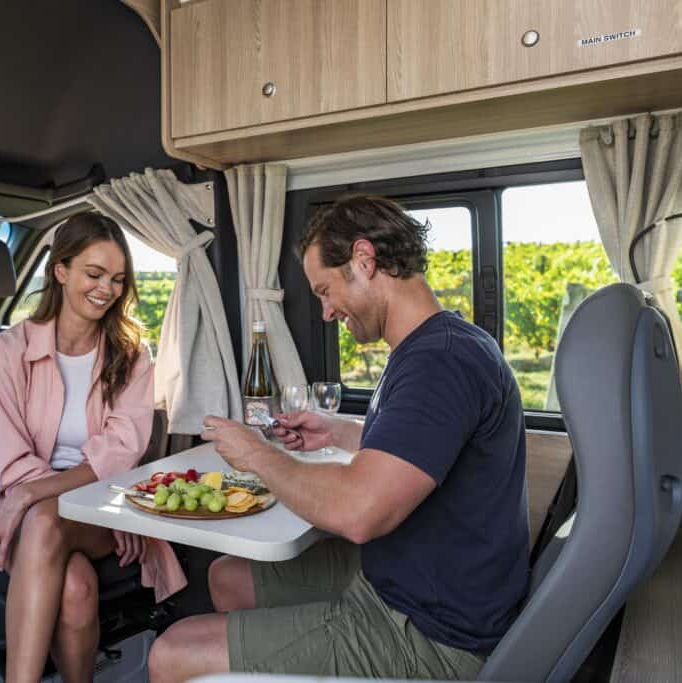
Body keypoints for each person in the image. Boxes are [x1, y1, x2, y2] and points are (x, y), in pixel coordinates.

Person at [149, 195, 529, 681]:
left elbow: (358, 512)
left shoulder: (439, 363)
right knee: (227, 577)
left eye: (325, 291)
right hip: (405, 578)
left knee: (170, 653)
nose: (326, 313)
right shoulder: (444, 343)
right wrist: (344, 432)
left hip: (430, 634)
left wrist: (258, 455)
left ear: (364, 260)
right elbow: (428, 446)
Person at [0, 212, 187, 683]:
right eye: (94, 274)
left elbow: (123, 448)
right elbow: (5, 458)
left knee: (42, 517)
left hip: (98, 508)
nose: (107, 289)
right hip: (19, 509)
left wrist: (35, 498)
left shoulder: (133, 353)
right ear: (60, 270)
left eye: (117, 279)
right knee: (74, 586)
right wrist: (25, 497)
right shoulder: (9, 351)